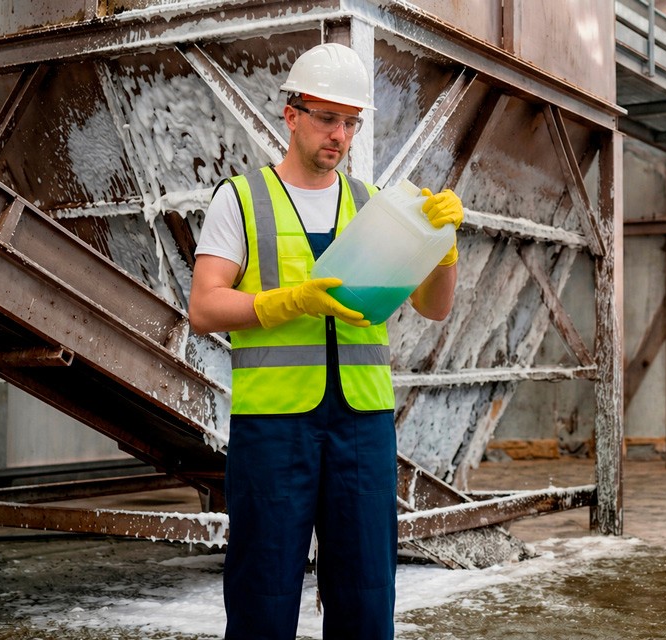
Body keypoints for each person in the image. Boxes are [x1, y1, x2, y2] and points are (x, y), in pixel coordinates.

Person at [188, 41, 463, 640]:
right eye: (327, 118)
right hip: (274, 425)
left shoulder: (372, 207)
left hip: (363, 424)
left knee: (367, 591)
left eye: (350, 122)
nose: (339, 135)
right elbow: (204, 307)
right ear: (291, 114)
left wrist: (442, 250)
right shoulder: (241, 200)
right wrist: (289, 301)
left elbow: (434, 308)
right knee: (264, 588)